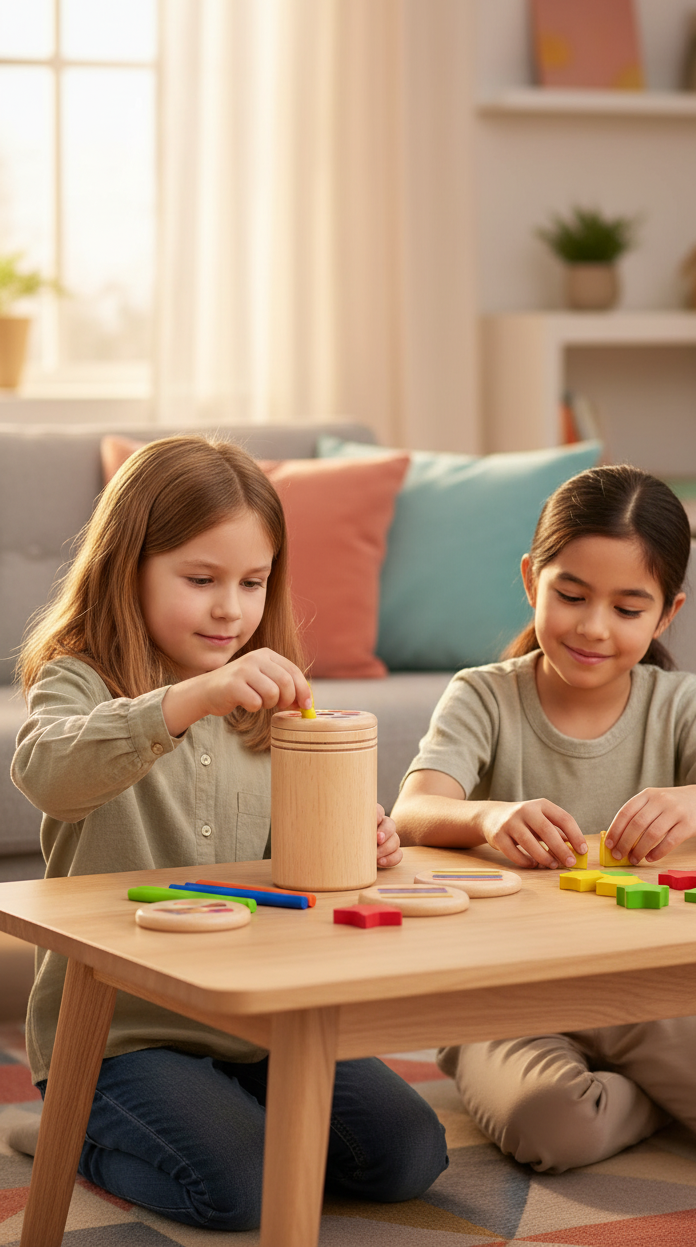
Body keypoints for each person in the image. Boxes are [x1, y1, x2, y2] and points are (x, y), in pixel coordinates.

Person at [12, 435, 447, 1230]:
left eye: (252, 582)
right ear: (128, 568)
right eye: (201, 579)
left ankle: (223, 1119)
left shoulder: (270, 700)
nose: (230, 610)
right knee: (242, 1189)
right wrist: (191, 698)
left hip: (260, 1023)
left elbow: (296, 859)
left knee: (407, 1155)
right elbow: (47, 772)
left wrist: (358, 837)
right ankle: (68, 1136)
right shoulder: (81, 677)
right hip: (124, 1034)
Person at [392, 463, 696, 1175]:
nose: (593, 627)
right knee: (555, 1131)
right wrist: (488, 818)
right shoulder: (483, 697)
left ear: (667, 615)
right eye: (571, 596)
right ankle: (670, 1095)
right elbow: (412, 810)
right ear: (531, 581)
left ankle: (664, 1084)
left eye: (628, 609)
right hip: (502, 996)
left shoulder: (679, 702)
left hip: (642, 993)